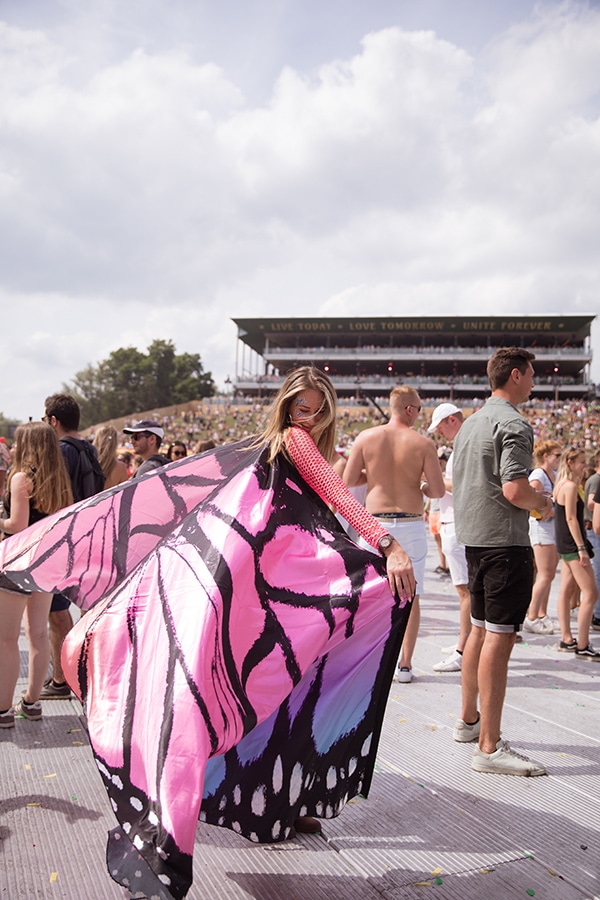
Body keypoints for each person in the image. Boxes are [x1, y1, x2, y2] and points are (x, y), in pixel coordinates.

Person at [0, 366, 415, 899]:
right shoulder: (292, 441)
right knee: (261, 690)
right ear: (286, 408)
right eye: (298, 407)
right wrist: (387, 544)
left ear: (329, 409)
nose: (305, 417)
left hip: (269, 584)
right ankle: (234, 805)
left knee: (282, 690)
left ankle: (281, 805)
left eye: (315, 409)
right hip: (259, 587)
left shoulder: (282, 445)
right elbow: (338, 495)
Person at [452, 347, 552, 776]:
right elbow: (515, 490)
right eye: (531, 375)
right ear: (515, 375)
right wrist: (542, 504)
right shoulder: (512, 422)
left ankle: (469, 721)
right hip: (504, 544)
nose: (534, 382)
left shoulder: (471, 423)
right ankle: (489, 748)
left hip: (474, 539)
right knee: (499, 638)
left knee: (477, 630)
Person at [343, 385, 445, 683]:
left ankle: (368, 660)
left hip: (374, 525)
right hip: (410, 524)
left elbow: (349, 479)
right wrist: (419, 484)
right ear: (409, 409)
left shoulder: (366, 437)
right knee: (410, 596)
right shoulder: (423, 444)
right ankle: (405, 664)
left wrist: (375, 475)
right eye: (419, 409)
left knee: (371, 594)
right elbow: (437, 491)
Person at [0, 423, 73, 728]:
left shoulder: (21, 479)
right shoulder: (60, 482)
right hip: (46, 563)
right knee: (39, 634)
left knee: (6, 639)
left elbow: (17, 524)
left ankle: (3, 710)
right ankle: (31, 702)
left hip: (18, 562)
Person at [42, 393, 106, 699]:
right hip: (90, 537)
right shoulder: (90, 449)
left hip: (65, 540)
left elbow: (54, 497)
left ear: (54, 421)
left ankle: (62, 678)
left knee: (57, 612)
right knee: (83, 608)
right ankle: (81, 673)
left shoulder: (61, 451)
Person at [427, 403, 471, 673]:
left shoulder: (463, 444)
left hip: (457, 522)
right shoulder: (461, 445)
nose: (440, 432)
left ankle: (463, 649)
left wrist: (435, 483)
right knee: (465, 590)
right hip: (454, 520)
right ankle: (464, 641)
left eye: (441, 426)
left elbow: (465, 484)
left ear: (451, 420)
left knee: (465, 591)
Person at [553, 447, 599, 659]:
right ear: (570, 463)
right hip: (573, 545)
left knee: (566, 589)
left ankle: (567, 637)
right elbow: (571, 519)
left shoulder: (561, 484)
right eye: (581, 462)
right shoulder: (570, 486)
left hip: (565, 544)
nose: (584, 466)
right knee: (590, 593)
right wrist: (581, 547)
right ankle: (582, 643)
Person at [522, 440, 562, 635]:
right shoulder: (538, 475)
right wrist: (551, 510)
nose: (559, 459)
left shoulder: (551, 475)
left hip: (551, 528)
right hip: (541, 528)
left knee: (549, 574)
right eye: (557, 455)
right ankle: (531, 616)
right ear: (545, 456)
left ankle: (542, 613)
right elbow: (532, 502)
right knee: (545, 574)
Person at [583, 451, 600, 631]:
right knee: (597, 572)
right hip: (593, 529)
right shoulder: (596, 480)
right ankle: (597, 613)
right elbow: (591, 503)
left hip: (592, 528)